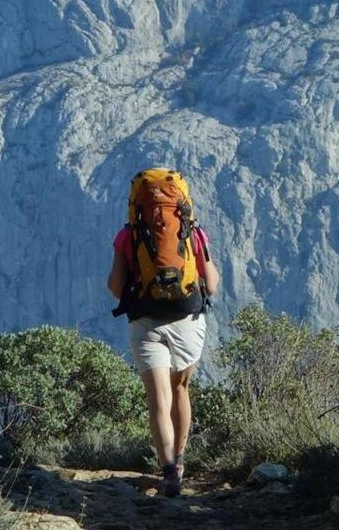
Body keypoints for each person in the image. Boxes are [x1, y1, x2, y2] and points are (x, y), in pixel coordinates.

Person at [107, 169, 221, 498]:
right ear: (182, 202)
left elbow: (116, 289)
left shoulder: (127, 236)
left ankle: (168, 471)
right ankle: (181, 462)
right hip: (187, 320)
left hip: (145, 322)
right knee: (180, 389)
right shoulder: (194, 234)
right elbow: (210, 285)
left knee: (159, 398)